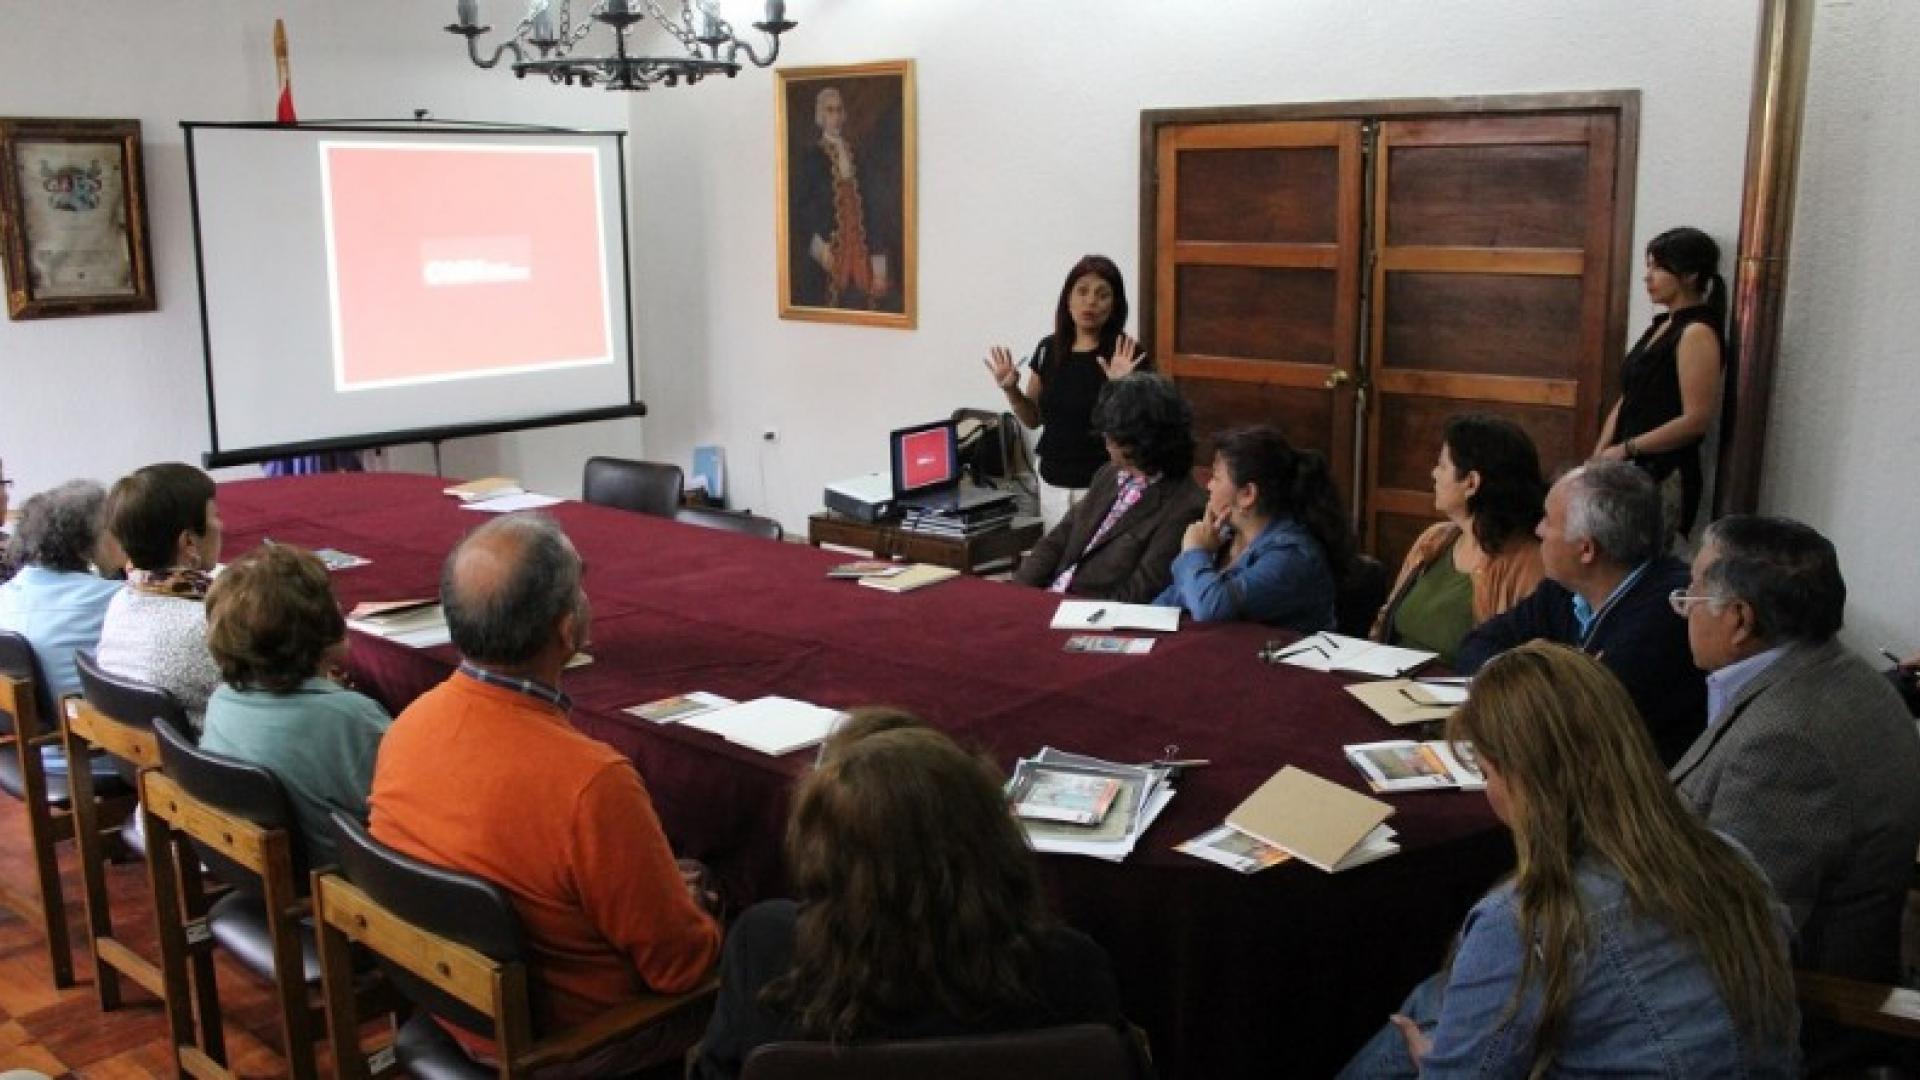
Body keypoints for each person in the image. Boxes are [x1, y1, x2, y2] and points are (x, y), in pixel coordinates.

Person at [1337, 642, 1799, 1078]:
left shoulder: (1527, 920)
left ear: (1526, 778)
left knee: (1418, 1024)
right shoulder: (1735, 863)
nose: (1489, 794)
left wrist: (1430, 1061)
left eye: (1486, 772)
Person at [370, 514, 720, 1074]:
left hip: (446, 1004)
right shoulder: (592, 783)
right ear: (567, 631)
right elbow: (683, 968)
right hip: (574, 1045)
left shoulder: (408, 726)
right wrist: (701, 908)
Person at [691, 724, 1127, 1079]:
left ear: (819, 852)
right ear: (993, 839)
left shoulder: (764, 943)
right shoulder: (1069, 965)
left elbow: (718, 1070)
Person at [1670, 515, 1920, 988]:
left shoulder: (1786, 744)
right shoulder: (1842, 673)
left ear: (1739, 619)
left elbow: (1730, 934)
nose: (1684, 609)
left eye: (1692, 595)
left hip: (1786, 1017)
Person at [1457, 462, 1704, 766]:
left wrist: (1517, 680)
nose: (1538, 530)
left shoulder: (1668, 613)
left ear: (1586, 550)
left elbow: (1582, 722)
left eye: (1548, 520)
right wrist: (1511, 678)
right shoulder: (1563, 588)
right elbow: (1479, 642)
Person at [200, 544, 390, 868]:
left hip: (252, 865)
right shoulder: (350, 718)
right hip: (340, 885)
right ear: (321, 623)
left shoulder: (222, 699)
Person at [984, 255, 1150, 528]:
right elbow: (1032, 418)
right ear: (1067, 299)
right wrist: (1011, 390)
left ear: (1115, 305)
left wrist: (1122, 387)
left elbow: (1143, 431)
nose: (1091, 302)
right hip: (1053, 482)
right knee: (1057, 564)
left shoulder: (1127, 354)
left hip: (1104, 485)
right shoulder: (1049, 349)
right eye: (1082, 291)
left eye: (1102, 295)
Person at [1012, 373, 1206, 603]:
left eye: (1112, 437)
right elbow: (1059, 538)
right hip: (1052, 598)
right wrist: (1017, 593)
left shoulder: (1185, 506)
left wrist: (1069, 612)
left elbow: (1141, 590)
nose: (1105, 443)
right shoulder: (1108, 474)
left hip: (1089, 615)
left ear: (1141, 441)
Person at [1370, 415, 1546, 667]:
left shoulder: (1528, 563)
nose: (1433, 474)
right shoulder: (1435, 539)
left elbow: (1522, 668)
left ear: (1471, 483)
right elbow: (1385, 621)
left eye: (1442, 466)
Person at [1594, 227, 1726, 544]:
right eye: (1648, 266)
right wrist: (1600, 453)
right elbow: (1629, 397)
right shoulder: (1662, 325)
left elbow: (1695, 420)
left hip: (1665, 471)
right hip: (1628, 467)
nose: (1648, 277)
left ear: (1690, 275)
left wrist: (1627, 448)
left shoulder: (1697, 332)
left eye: (1658, 267)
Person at [1153, 425, 1349, 631]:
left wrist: (1194, 552)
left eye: (1217, 477)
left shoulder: (1293, 556)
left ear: (1247, 494)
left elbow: (1211, 609)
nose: (1208, 485)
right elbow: (1171, 601)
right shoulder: (1223, 537)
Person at [94, 463, 224, 731]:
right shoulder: (209, 626)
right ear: (188, 542)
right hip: (205, 767)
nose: (222, 525)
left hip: (145, 761)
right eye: (216, 516)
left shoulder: (121, 600)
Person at [0, 481, 121, 702]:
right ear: (84, 541)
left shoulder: (6, 594)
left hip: (23, 729)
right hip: (81, 730)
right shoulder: (115, 598)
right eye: (112, 528)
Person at [790, 86, 895, 312]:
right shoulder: (811, 159)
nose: (835, 117)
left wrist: (878, 267)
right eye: (829, 111)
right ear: (820, 116)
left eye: (839, 111)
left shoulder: (858, 157)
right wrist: (820, 248)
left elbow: (874, 209)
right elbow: (800, 210)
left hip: (861, 257)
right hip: (829, 258)